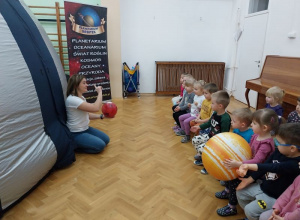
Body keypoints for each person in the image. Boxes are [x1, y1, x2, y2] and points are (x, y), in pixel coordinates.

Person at [216, 108, 279, 217]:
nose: (251, 125)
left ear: (264, 128)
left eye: (254, 123)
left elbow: (257, 161)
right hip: (248, 166)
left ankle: (232, 207)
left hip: (258, 172)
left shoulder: (266, 144)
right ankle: (228, 191)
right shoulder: (255, 135)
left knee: (235, 180)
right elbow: (248, 150)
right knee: (231, 172)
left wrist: (239, 164)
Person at [235, 123, 300, 220]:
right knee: (240, 193)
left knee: (249, 210)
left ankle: (251, 216)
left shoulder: (296, 164)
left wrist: (247, 165)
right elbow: (265, 165)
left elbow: (273, 167)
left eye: (278, 142)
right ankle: (252, 215)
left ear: (292, 148)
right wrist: (248, 180)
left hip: (275, 197)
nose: (275, 144)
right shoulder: (279, 151)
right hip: (263, 186)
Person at [65, 74, 110, 153]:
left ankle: (83, 143)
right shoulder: (72, 100)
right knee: (100, 146)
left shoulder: (82, 98)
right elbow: (96, 108)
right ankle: (74, 145)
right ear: (76, 85)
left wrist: (101, 116)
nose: (87, 85)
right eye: (84, 83)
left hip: (86, 129)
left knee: (106, 139)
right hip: (76, 133)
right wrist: (99, 92)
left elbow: (87, 114)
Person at [191, 90, 231, 174]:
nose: (211, 104)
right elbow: (209, 123)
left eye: (212, 103)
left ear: (220, 106)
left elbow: (224, 134)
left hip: (218, 142)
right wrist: (198, 127)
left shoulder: (225, 118)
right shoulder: (215, 113)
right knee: (195, 140)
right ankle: (203, 159)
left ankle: (208, 166)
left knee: (202, 149)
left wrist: (215, 144)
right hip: (210, 136)